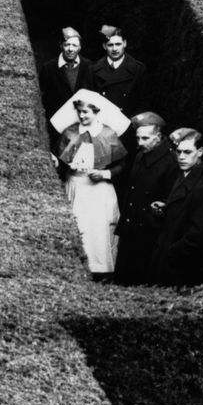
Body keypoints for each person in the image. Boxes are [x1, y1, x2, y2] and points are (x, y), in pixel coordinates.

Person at [50, 89, 129, 281]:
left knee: (99, 230)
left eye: (86, 112)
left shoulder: (108, 134)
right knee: (77, 225)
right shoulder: (70, 132)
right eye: (80, 112)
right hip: (76, 185)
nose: (82, 115)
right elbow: (61, 159)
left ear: (96, 112)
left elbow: (122, 164)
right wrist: (57, 162)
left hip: (99, 190)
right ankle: (74, 268)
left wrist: (104, 173)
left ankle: (101, 271)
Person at [116, 111, 174, 285]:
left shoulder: (170, 162)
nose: (140, 143)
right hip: (131, 227)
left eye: (145, 138)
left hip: (148, 232)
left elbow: (170, 197)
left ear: (159, 136)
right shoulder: (141, 155)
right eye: (138, 138)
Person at [153, 127, 203, 286]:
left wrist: (172, 253)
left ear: (200, 152)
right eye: (178, 152)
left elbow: (198, 231)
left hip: (180, 265)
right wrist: (165, 207)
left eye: (187, 152)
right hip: (168, 255)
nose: (181, 157)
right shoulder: (184, 174)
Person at [86, 26, 148, 117]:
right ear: (104, 46)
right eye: (110, 45)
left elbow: (143, 102)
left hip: (128, 122)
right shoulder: (93, 69)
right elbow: (88, 102)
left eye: (118, 44)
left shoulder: (138, 69)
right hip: (102, 123)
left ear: (125, 43)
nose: (114, 49)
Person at [38, 26, 90, 121]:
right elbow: (41, 96)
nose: (70, 49)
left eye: (74, 45)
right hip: (56, 121)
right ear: (61, 45)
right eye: (67, 45)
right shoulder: (48, 68)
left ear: (80, 47)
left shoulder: (88, 66)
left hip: (81, 121)